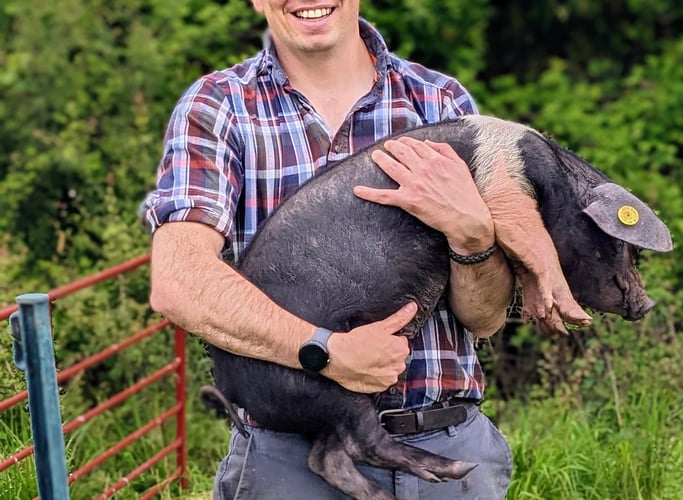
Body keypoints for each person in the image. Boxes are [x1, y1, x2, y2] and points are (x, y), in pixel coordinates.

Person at [142, 1, 515, 498]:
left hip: (447, 451)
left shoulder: (439, 103)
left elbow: (485, 319)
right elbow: (179, 279)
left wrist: (474, 237)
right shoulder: (219, 105)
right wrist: (325, 351)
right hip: (289, 463)